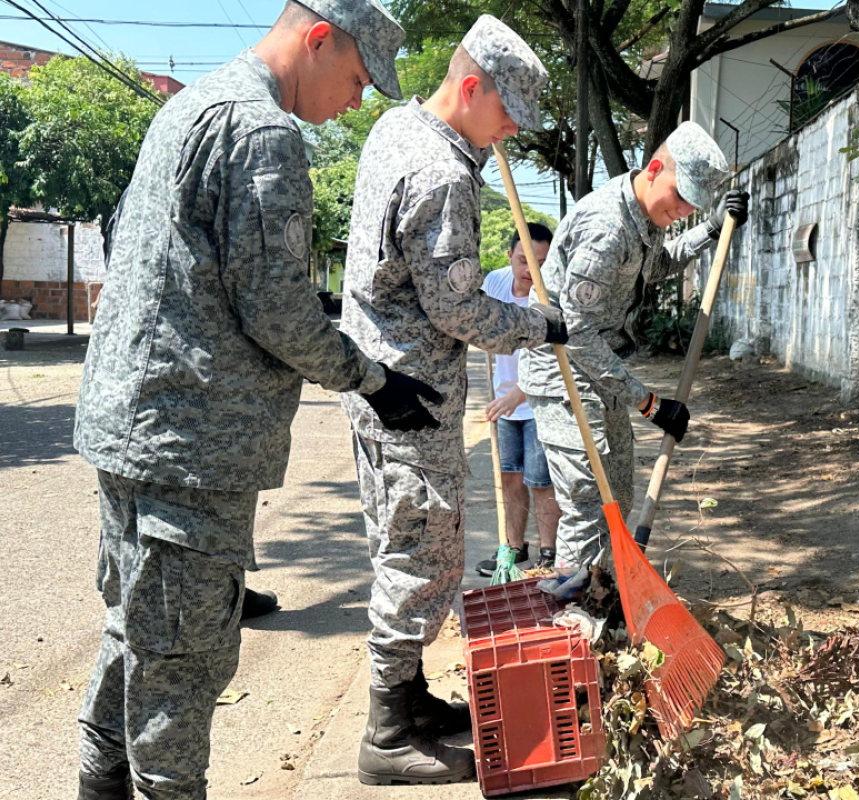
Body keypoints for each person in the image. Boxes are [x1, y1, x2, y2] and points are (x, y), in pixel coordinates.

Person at [71, 3, 446, 799]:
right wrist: (372, 380)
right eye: (354, 80)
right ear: (317, 39)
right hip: (191, 446)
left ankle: (97, 782)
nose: (357, 102)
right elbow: (274, 306)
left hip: (132, 429)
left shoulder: (188, 106)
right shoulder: (262, 133)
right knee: (184, 661)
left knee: (135, 631)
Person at [339, 14, 565, 786]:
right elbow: (461, 310)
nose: (509, 135)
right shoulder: (441, 172)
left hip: (380, 384)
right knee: (419, 554)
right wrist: (541, 324)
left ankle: (410, 697)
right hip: (410, 398)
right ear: (471, 87)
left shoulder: (396, 129)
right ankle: (387, 732)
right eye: (506, 115)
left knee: (404, 541)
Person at [519, 122, 749, 570]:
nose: (683, 210)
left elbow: (656, 264)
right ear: (655, 167)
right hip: (564, 374)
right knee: (588, 500)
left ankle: (608, 598)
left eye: (693, 206)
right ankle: (574, 615)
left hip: (602, 372)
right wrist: (648, 404)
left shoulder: (646, 217)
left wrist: (712, 229)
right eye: (680, 197)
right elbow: (576, 331)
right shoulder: (606, 226)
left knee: (617, 496)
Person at [475, 224, 563, 576]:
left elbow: (559, 358)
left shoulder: (551, 293)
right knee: (510, 477)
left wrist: (520, 391)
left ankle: (549, 553)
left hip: (542, 401)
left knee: (540, 481)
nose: (531, 271)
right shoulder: (494, 283)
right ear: (510, 256)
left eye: (541, 263)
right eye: (524, 261)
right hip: (504, 402)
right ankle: (512, 549)